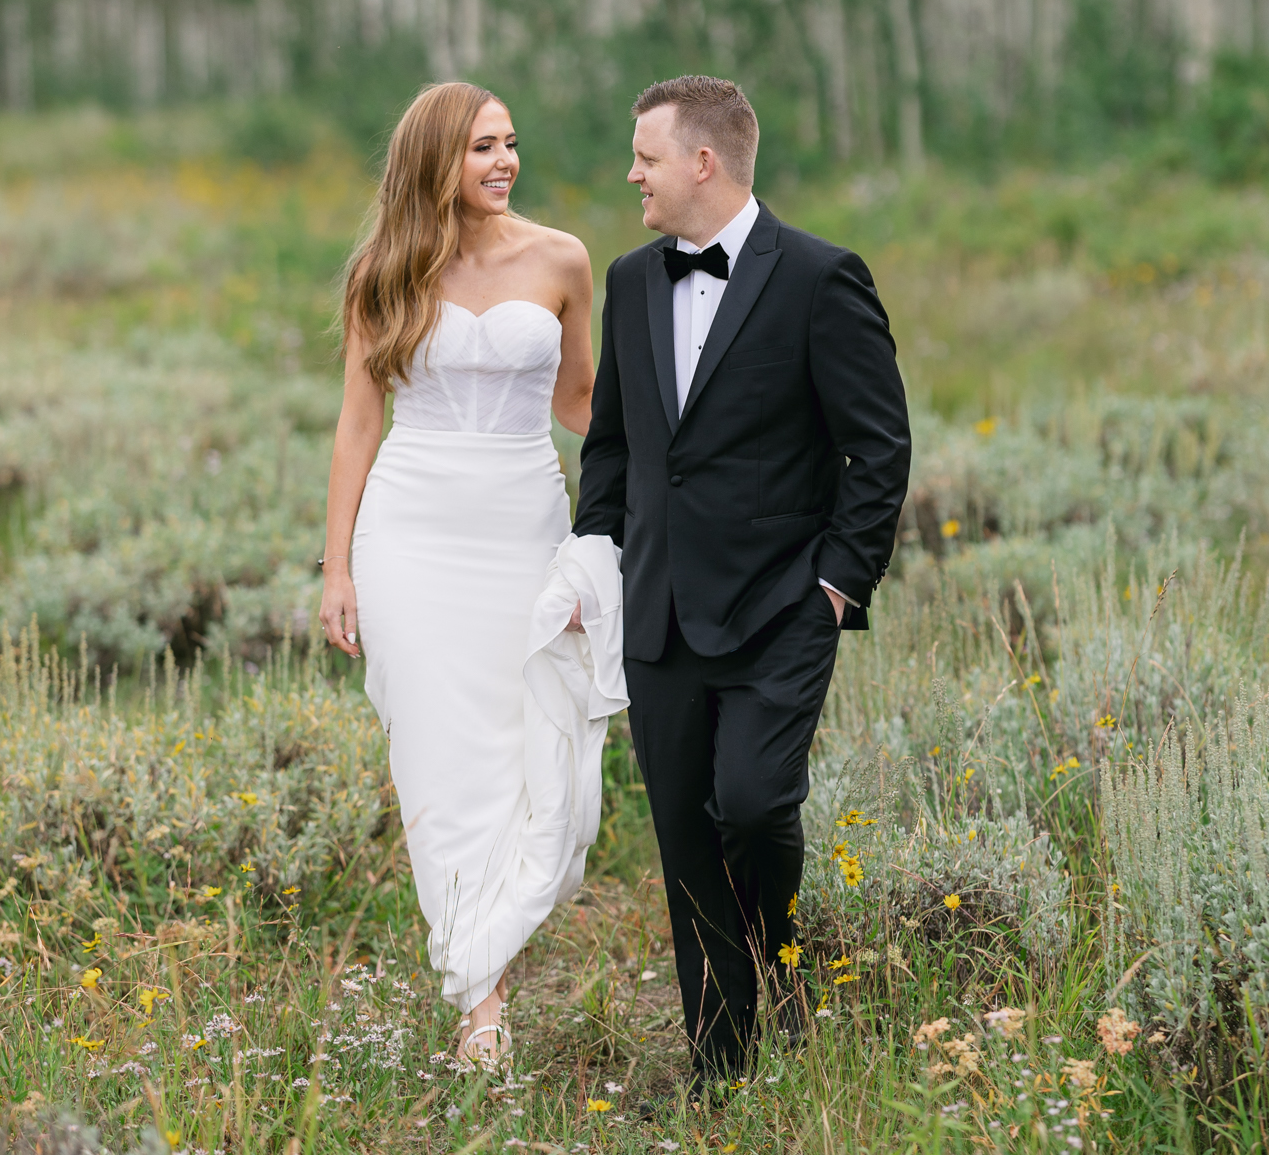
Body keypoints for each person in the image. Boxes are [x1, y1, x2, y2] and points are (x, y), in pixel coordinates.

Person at [573, 75, 912, 1091]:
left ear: (701, 162)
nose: (630, 172)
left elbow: (878, 448)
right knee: (685, 843)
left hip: (779, 610)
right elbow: (615, 445)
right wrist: (597, 557)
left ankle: (782, 959)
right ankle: (721, 1070)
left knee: (755, 805)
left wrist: (836, 587)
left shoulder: (819, 277)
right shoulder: (631, 281)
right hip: (661, 613)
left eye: (644, 155)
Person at [319, 82, 621, 1071]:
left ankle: (492, 946)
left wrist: (682, 454)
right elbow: (359, 424)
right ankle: (480, 1003)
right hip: (408, 533)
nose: (504, 161)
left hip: (522, 524)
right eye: (482, 147)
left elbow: (581, 399)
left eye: (510, 143)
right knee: (440, 761)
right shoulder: (386, 270)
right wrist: (338, 567)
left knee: (528, 744)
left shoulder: (562, 258)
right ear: (433, 160)